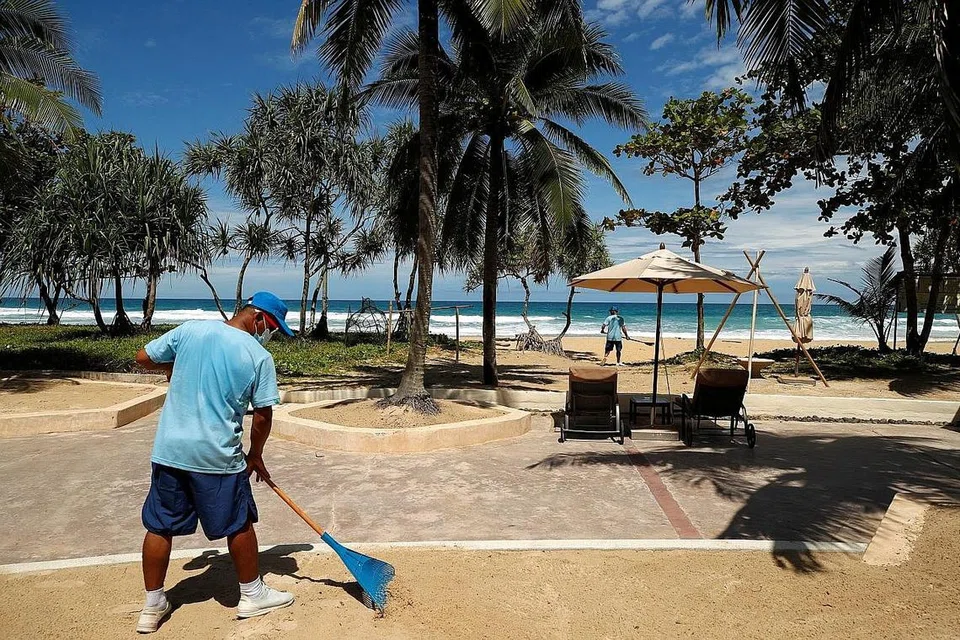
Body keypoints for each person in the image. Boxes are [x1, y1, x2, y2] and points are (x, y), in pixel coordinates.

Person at [133, 291, 296, 634]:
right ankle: (252, 594)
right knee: (238, 522)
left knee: (160, 526)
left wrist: (172, 367)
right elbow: (263, 415)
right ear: (258, 318)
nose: (271, 335)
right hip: (216, 455)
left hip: (170, 451)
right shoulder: (258, 356)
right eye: (272, 328)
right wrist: (256, 454)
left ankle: (152, 606)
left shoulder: (191, 330)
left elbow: (143, 357)